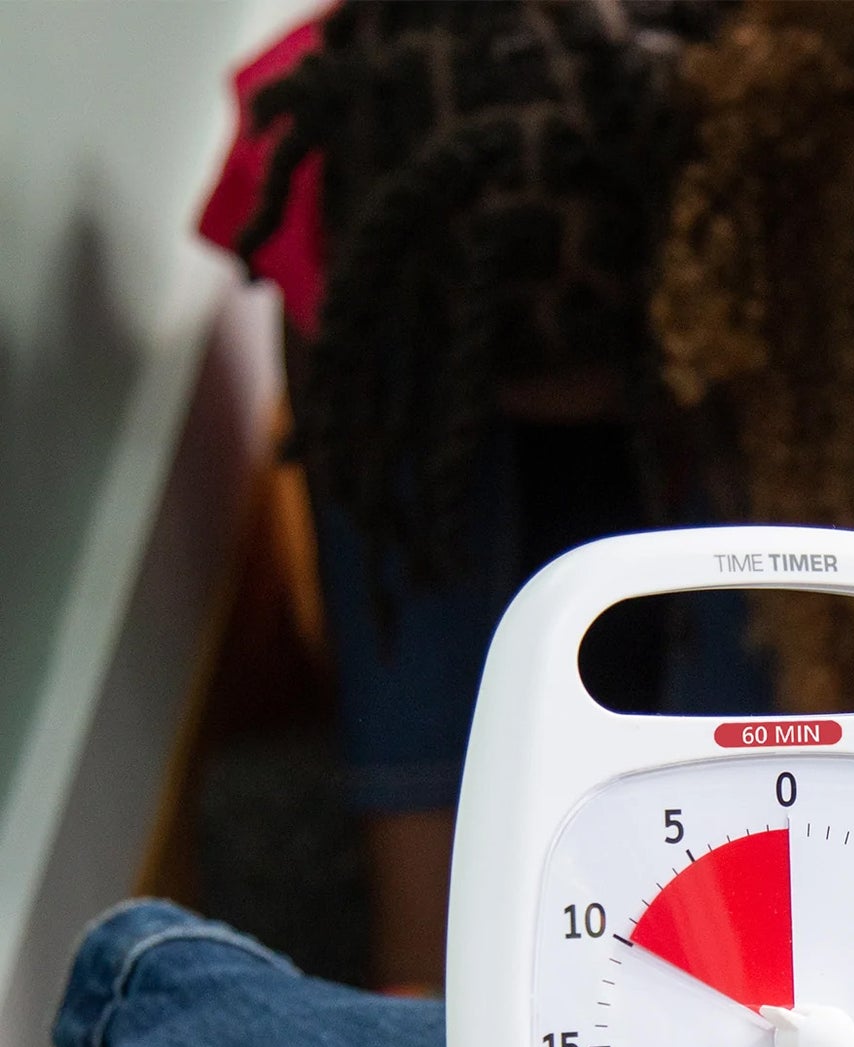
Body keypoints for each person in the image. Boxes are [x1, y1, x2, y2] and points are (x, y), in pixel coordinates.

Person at [201, 0, 745, 990]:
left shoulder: (752, 126)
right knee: (386, 392)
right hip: (425, 437)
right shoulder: (348, 118)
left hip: (720, 361)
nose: (559, 401)